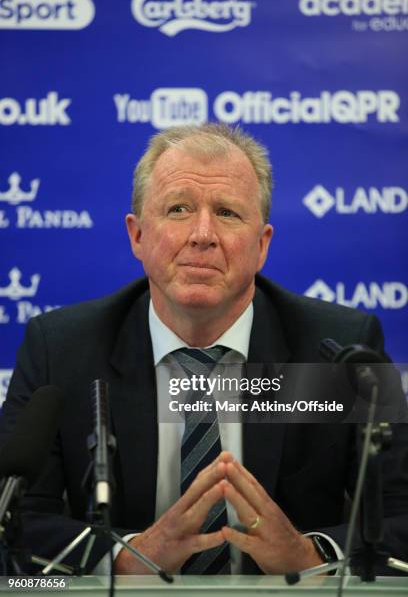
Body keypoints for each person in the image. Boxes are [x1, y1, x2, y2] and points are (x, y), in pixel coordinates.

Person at [1, 124, 407, 576]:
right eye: (178, 209)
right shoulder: (61, 349)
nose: (202, 234)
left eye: (228, 213)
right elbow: (14, 520)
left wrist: (310, 558)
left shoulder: (338, 349)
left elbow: (401, 511)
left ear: (262, 245)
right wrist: (125, 559)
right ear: (137, 236)